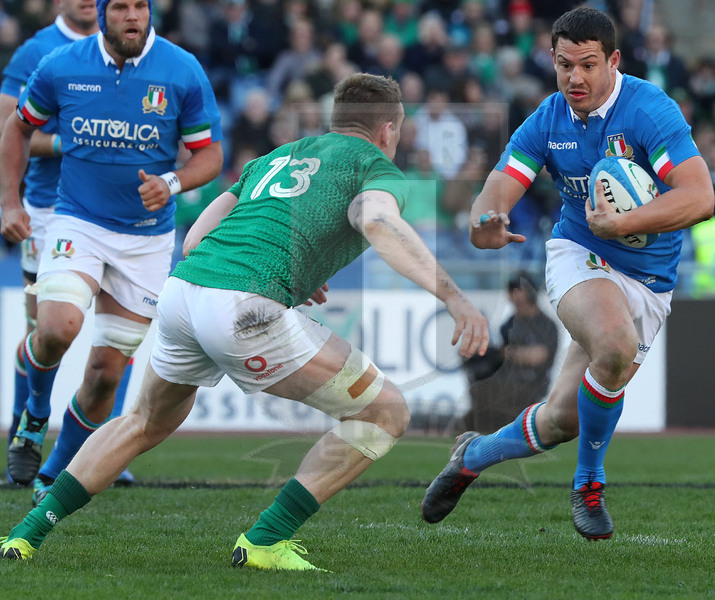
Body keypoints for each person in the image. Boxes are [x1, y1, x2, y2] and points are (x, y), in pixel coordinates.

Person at [0, 72, 490, 570]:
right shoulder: (372, 164)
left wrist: (293, 271)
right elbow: (379, 221)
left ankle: (24, 535)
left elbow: (196, 240)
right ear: (388, 129)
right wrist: (454, 298)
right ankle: (265, 540)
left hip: (184, 291)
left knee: (142, 422)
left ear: (334, 120)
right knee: (385, 413)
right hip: (242, 309)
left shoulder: (275, 157)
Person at [420, 7, 714, 540]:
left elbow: (699, 197)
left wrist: (623, 221)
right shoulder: (548, 119)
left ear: (613, 61)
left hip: (649, 281)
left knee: (562, 419)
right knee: (614, 343)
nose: (574, 78)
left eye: (587, 65)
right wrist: (484, 222)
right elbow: (496, 193)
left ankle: (471, 456)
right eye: (563, 65)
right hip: (580, 255)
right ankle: (589, 484)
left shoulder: (649, 110)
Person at [0, 0, 223, 505]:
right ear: (102, 15)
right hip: (77, 221)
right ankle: (35, 416)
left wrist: (173, 181)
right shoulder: (60, 64)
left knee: (105, 375)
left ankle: (53, 473)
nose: (133, 16)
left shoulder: (181, 69)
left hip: (146, 241)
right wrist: (8, 200)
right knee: (55, 328)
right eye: (120, 6)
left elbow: (209, 153)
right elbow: (17, 126)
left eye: (140, 6)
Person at [0, 0, 139, 486]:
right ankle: (29, 426)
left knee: (119, 340)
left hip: (121, 216)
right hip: (49, 210)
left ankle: (104, 451)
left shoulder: (136, 47)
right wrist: (72, 142)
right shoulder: (37, 52)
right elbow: (9, 128)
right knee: (48, 332)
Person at [458, 271, 560, 433]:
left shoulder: (546, 324)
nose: (514, 295)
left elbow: (538, 356)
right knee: (478, 390)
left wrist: (505, 352)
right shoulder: (509, 324)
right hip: (507, 380)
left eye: (518, 289)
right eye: (511, 290)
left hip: (532, 384)